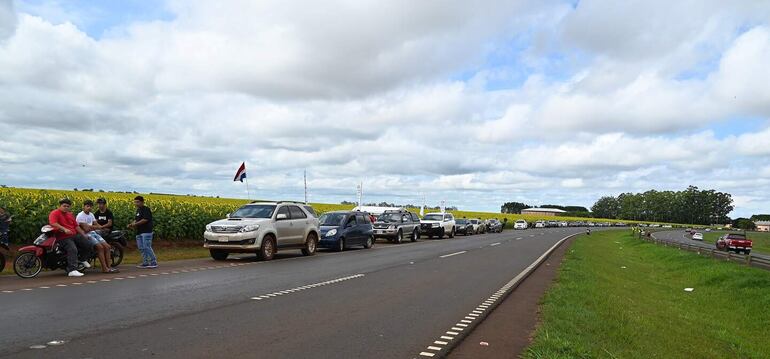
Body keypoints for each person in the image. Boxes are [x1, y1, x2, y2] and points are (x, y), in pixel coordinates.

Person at [49, 198, 93, 277]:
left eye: (68, 206)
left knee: (88, 243)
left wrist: (83, 234)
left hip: (73, 235)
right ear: (60, 206)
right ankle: (72, 270)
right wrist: (64, 229)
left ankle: (83, 259)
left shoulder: (70, 214)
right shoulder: (55, 213)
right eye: (64, 206)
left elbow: (76, 226)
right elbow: (53, 223)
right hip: (62, 237)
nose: (66, 207)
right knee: (72, 249)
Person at [76, 200, 119, 273]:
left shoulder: (91, 214)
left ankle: (109, 267)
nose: (89, 208)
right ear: (83, 207)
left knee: (108, 247)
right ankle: (104, 268)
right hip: (86, 234)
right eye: (87, 206)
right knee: (100, 247)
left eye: (91, 206)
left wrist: (94, 227)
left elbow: (96, 225)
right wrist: (95, 227)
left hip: (93, 232)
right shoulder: (80, 216)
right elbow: (86, 229)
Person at [128, 196, 157, 269]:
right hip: (139, 232)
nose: (136, 203)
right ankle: (145, 262)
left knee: (147, 247)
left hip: (146, 231)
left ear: (142, 202)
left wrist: (135, 224)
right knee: (141, 248)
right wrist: (132, 224)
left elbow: (145, 219)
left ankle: (153, 262)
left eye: (137, 202)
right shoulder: (138, 210)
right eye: (135, 202)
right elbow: (136, 220)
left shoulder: (146, 209)